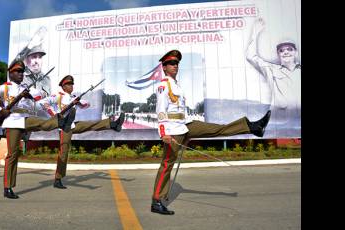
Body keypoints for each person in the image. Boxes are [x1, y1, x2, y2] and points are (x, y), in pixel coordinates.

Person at [151, 50, 271, 215]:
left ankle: (252, 127)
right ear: (164, 67)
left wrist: (187, 133)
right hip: (172, 130)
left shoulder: (177, 85)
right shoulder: (163, 86)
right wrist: (163, 132)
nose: (175, 66)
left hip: (185, 125)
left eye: (177, 63)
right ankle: (156, 201)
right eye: (171, 63)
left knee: (215, 129)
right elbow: (161, 111)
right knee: (166, 165)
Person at [0, 60, 72, 199]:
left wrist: (29, 95)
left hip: (26, 118)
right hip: (13, 121)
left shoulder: (26, 87)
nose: (21, 74)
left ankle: (61, 121)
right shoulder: (5, 88)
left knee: (44, 124)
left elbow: (42, 94)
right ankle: (8, 187)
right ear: (10, 73)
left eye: (22, 71)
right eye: (17, 71)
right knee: (13, 154)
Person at [38, 75, 125, 189]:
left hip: (72, 124)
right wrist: (55, 115)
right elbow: (43, 103)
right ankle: (58, 179)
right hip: (64, 127)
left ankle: (112, 124)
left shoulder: (73, 97)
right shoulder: (58, 96)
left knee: (90, 124)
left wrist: (77, 102)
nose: (71, 86)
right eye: (68, 84)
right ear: (63, 86)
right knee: (64, 152)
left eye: (72, 84)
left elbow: (86, 105)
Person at [246, 18, 301, 125]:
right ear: (278, 54)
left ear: (295, 52)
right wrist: (255, 33)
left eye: (289, 49)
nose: (285, 52)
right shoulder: (271, 69)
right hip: (280, 123)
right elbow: (251, 56)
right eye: (281, 50)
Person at [13, 27, 51, 97]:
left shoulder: (46, 79)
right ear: (26, 59)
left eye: (40, 57)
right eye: (33, 57)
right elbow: (16, 61)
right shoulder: (20, 75)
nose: (37, 61)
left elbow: (48, 100)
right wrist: (30, 45)